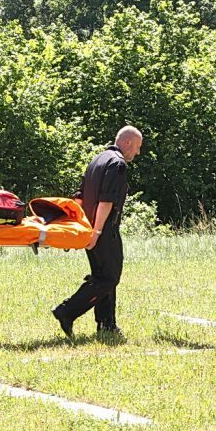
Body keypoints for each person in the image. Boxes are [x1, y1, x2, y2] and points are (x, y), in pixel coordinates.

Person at [52, 126, 143, 338]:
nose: (138, 152)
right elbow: (106, 201)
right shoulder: (118, 164)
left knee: (102, 275)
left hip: (90, 226)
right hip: (103, 229)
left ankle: (107, 324)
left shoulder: (97, 160)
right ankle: (67, 311)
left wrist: (78, 226)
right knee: (109, 278)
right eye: (137, 147)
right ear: (128, 142)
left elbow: (79, 196)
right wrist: (97, 231)